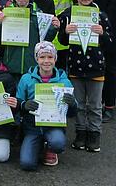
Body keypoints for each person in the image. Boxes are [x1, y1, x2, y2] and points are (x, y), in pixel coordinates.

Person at [58, 0, 114, 153]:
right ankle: (80, 134)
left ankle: (94, 135)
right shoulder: (68, 15)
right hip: (75, 67)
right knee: (79, 105)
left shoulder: (100, 16)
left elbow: (111, 43)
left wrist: (102, 33)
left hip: (96, 69)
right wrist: (65, 31)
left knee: (95, 106)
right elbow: (62, 40)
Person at [16, 42, 77, 170]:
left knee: (58, 143)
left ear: (55, 59)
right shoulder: (26, 79)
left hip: (53, 126)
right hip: (32, 127)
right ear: (36, 59)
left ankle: (50, 148)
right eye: (42, 57)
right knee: (27, 164)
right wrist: (24, 105)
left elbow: (71, 114)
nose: (46, 61)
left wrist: (72, 104)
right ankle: (38, 146)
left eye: (50, 57)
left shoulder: (64, 81)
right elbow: (18, 101)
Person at [0, 0, 60, 79]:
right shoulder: (6, 13)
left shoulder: (38, 14)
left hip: (31, 67)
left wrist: (53, 28)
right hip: (11, 66)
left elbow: (45, 40)